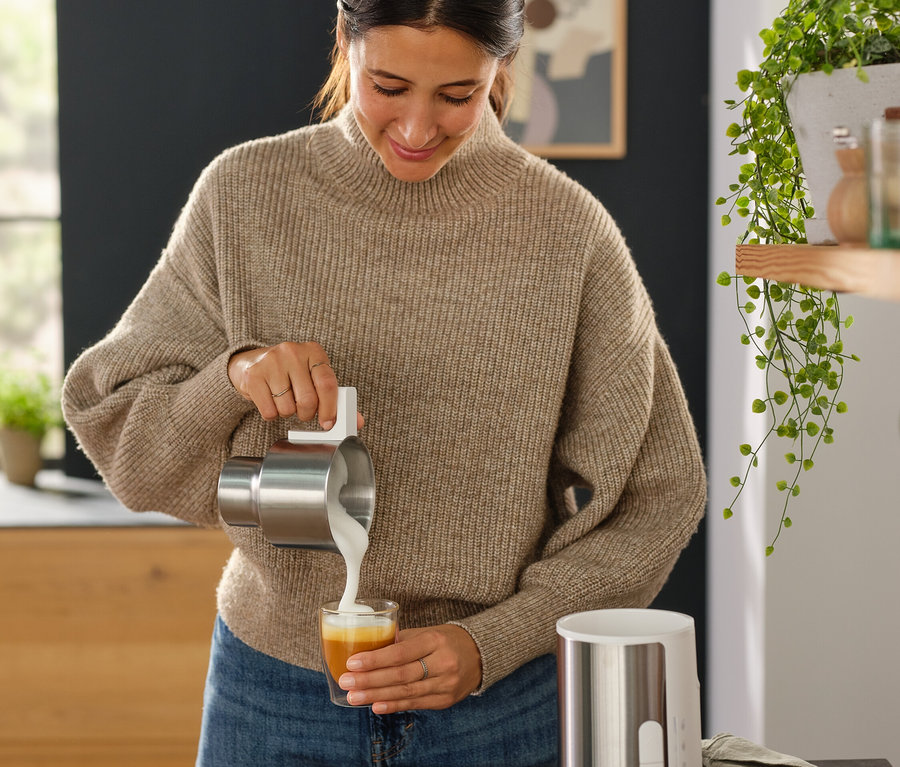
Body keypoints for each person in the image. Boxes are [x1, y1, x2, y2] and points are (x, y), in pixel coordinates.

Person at [61, 1, 707, 765]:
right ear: (345, 44)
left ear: (502, 67)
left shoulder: (570, 235)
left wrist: (493, 641)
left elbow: (661, 492)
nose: (415, 128)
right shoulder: (244, 198)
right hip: (273, 697)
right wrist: (233, 375)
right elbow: (121, 435)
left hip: (498, 710)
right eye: (389, 87)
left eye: (456, 96)